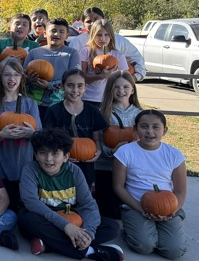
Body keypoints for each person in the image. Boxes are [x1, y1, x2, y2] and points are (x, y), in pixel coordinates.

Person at [19, 128, 124, 261]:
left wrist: (88, 234)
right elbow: (31, 202)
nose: (48, 159)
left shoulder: (74, 171)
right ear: (36, 154)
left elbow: (87, 203)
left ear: (66, 156)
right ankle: (90, 251)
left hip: (72, 217)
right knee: (28, 221)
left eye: (55, 154)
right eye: (43, 153)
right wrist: (66, 226)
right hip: (44, 218)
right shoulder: (31, 170)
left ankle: (50, 244)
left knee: (111, 227)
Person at [113, 110, 187, 259]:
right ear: (135, 129)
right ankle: (131, 230)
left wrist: (172, 210)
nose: (150, 132)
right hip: (136, 205)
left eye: (156, 127)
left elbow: (180, 190)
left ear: (164, 130)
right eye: (144, 126)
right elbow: (118, 187)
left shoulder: (174, 154)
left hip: (167, 207)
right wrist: (141, 209)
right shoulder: (125, 152)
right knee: (144, 246)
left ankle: (171, 221)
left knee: (174, 251)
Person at [0, 58, 41, 211]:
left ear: (22, 78)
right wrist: (2, 135)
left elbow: (39, 134)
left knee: (20, 205)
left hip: (23, 163)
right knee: (1, 204)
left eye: (16, 75)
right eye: (7, 75)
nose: (11, 79)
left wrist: (30, 133)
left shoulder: (30, 104)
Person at [43, 69, 108, 189]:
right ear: (62, 86)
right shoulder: (54, 111)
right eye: (70, 86)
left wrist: (98, 150)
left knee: (84, 196)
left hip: (86, 165)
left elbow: (96, 138)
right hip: (61, 165)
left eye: (80, 86)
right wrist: (61, 155)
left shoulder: (92, 111)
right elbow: (49, 139)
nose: (75, 90)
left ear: (85, 88)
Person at [95, 71, 142, 219]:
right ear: (109, 90)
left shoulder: (140, 114)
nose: (121, 91)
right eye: (116, 87)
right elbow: (99, 142)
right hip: (106, 167)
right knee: (111, 213)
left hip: (132, 169)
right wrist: (112, 151)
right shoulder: (102, 113)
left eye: (126, 87)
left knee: (129, 208)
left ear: (133, 90)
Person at [68, 7, 146, 82]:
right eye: (88, 21)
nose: (93, 23)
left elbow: (136, 58)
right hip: (86, 92)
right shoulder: (77, 42)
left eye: (96, 19)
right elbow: (75, 71)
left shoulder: (119, 41)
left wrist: (135, 77)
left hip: (112, 92)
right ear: (83, 24)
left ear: (103, 19)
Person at [24, 18, 81, 120]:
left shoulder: (72, 53)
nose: (56, 34)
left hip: (61, 103)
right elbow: (23, 77)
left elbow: (75, 78)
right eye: (53, 31)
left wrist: (50, 85)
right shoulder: (34, 53)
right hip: (35, 103)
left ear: (67, 36)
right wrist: (28, 80)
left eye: (61, 31)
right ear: (45, 34)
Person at [79, 19, 128, 107]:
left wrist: (113, 76)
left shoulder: (118, 55)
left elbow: (126, 79)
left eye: (106, 35)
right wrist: (99, 77)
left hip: (110, 98)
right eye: (99, 35)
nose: (103, 38)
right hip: (88, 97)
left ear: (111, 36)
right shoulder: (85, 51)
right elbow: (81, 78)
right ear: (93, 35)